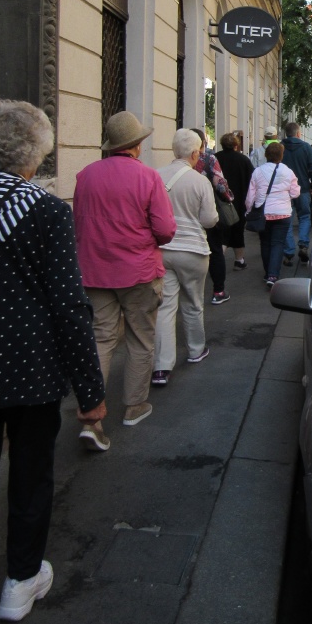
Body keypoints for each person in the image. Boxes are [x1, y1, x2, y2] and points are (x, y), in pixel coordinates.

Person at [0, 100, 105, 624]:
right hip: (31, 373)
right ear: (36, 153)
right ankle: (20, 581)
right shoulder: (45, 211)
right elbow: (67, 304)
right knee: (32, 477)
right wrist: (90, 389)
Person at [73, 111, 176, 439]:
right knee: (140, 338)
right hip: (139, 271)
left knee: (101, 338)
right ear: (137, 144)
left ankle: (92, 416)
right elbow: (165, 229)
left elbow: (78, 224)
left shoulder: (85, 176)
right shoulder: (148, 178)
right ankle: (133, 406)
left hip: (95, 271)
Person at [151, 129, 218, 386]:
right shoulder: (200, 181)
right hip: (193, 251)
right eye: (200, 151)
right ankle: (195, 350)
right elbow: (209, 220)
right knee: (193, 302)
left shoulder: (156, 176)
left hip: (163, 249)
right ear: (194, 153)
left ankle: (161, 367)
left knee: (165, 306)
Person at [245, 142, 300, 287]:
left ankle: (267, 272)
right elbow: (295, 192)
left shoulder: (257, 172)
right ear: (281, 155)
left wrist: (249, 209)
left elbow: (251, 195)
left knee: (265, 243)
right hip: (283, 213)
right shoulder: (288, 171)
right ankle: (273, 275)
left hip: (264, 213)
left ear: (266, 155)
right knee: (278, 243)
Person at [191, 128, 234, 305]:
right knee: (215, 250)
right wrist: (229, 197)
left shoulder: (178, 161)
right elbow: (220, 184)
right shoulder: (209, 158)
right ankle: (218, 291)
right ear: (203, 143)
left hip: (186, 214)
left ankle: (191, 291)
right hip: (206, 211)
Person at [281, 122, 312, 265]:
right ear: (298, 133)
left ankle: (289, 251)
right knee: (304, 216)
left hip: (284, 191)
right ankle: (303, 245)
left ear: (286, 133)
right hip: (302, 188)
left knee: (287, 219)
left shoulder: (280, 147)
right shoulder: (306, 148)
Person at [215, 132, 254, 269]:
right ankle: (239, 260)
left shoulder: (215, 158)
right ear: (236, 145)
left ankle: (218, 260)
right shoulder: (244, 160)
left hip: (219, 202)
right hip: (239, 202)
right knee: (238, 232)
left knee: (221, 233)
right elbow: (252, 181)